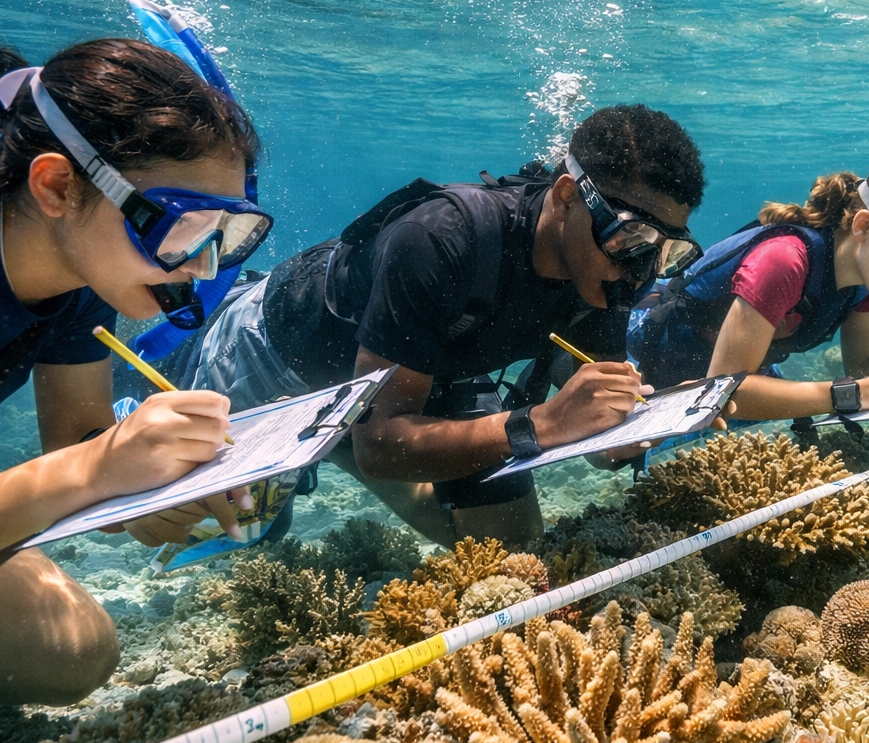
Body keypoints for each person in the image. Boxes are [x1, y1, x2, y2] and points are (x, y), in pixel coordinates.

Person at [0, 39, 271, 704]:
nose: (203, 268)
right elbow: (80, 467)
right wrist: (96, 472)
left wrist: (155, 491)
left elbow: (76, 448)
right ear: (57, 185)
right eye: (182, 228)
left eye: (230, 236)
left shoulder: (82, 267)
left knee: (70, 654)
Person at [161, 104, 707, 548]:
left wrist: (637, 425)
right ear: (567, 196)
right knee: (229, 531)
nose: (641, 273)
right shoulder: (441, 237)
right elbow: (384, 446)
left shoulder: (603, 279)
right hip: (284, 356)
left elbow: (594, 442)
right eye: (631, 241)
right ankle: (175, 362)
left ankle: (343, 437)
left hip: (429, 370)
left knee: (514, 554)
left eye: (667, 252)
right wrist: (538, 423)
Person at [628, 154, 869, 423]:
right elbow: (721, 391)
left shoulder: (866, 282)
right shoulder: (784, 262)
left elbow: (863, 365)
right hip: (652, 336)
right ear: (864, 227)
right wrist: (856, 395)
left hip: (725, 369)